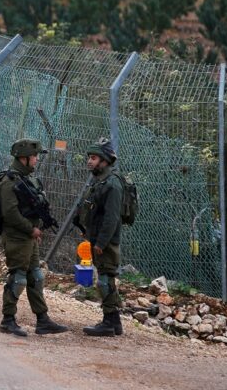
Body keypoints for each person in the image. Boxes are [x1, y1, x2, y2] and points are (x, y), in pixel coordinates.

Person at [0, 138, 68, 337]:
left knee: (35, 277)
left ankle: (42, 319)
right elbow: (10, 213)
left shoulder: (28, 180)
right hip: (17, 237)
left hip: (29, 236)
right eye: (34, 156)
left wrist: (35, 228)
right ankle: (8, 319)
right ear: (24, 158)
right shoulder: (9, 182)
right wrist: (31, 230)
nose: (37, 160)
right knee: (18, 277)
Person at [79, 138, 124, 337]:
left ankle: (108, 323)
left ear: (104, 161)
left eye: (94, 158)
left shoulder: (112, 184)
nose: (90, 161)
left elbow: (112, 218)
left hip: (106, 242)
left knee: (104, 281)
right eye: (89, 157)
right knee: (107, 280)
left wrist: (101, 243)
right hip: (97, 238)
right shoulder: (100, 181)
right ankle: (115, 323)